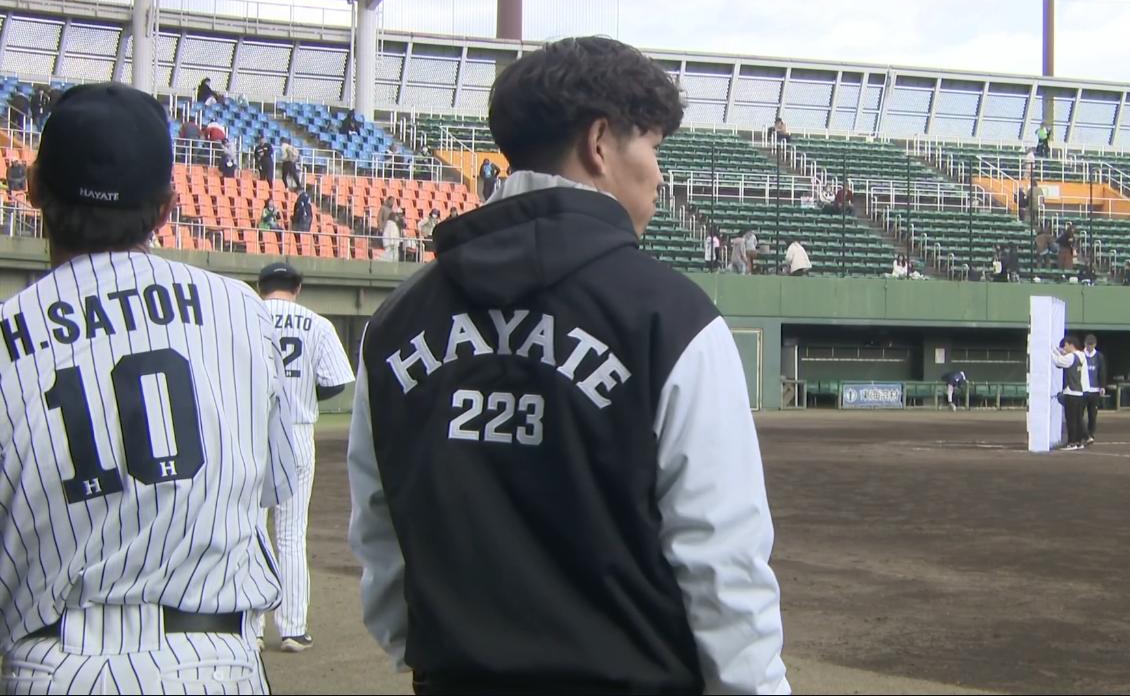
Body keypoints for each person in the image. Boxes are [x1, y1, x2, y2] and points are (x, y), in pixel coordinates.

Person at [347, 36, 788, 695]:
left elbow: (381, 534)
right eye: (653, 148)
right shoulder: (673, 317)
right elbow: (723, 561)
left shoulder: (396, 321)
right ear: (600, 142)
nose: (659, 177)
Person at [0, 81, 297, 693]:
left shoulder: (6, 335)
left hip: (52, 668)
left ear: (32, 188)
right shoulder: (241, 311)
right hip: (213, 666)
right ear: (166, 208)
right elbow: (281, 482)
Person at [254, 263, 355, 653]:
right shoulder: (317, 323)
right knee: (291, 534)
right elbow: (336, 382)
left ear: (260, 287)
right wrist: (304, 391)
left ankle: (252, 627)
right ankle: (293, 629)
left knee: (252, 530)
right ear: (297, 288)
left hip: (252, 432)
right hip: (297, 432)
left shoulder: (245, 313)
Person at [1051, 336, 1091, 450]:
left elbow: (1058, 361)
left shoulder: (1071, 357)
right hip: (1079, 392)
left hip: (1071, 392)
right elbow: (1064, 358)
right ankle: (1078, 442)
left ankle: (1072, 442)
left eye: (1065, 346)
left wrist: (1050, 352)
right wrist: (1059, 352)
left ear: (1070, 344)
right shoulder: (1081, 355)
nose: (1064, 348)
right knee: (1077, 419)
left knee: (1071, 420)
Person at [1083, 334, 1107, 444]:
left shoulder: (1099, 356)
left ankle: (1091, 434)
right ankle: (1082, 434)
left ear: (1095, 345)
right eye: (1088, 345)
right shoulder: (1081, 355)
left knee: (1092, 415)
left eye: (1091, 345)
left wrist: (1102, 386)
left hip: (1094, 390)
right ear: (1085, 344)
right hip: (1083, 390)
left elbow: (1102, 371)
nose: (1089, 347)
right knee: (1079, 414)